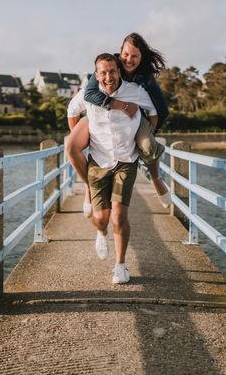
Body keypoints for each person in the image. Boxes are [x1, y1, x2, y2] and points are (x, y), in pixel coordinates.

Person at [67, 53, 158, 284]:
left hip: (126, 161)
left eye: (112, 71)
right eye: (103, 72)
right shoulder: (88, 95)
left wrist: (144, 134)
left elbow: (154, 112)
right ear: (96, 75)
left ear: (119, 71)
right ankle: (100, 233)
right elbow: (72, 112)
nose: (108, 76)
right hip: (98, 162)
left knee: (119, 215)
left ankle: (120, 265)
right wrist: (83, 134)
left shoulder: (134, 91)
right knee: (100, 218)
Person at [65, 33, 170, 218]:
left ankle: (155, 178)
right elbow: (89, 94)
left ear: (141, 57)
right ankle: (90, 190)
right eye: (126, 54)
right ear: (120, 52)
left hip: (137, 117)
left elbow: (160, 110)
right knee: (71, 147)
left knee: (147, 145)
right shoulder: (109, 65)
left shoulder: (145, 77)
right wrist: (120, 106)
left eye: (135, 56)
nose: (129, 60)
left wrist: (148, 133)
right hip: (101, 111)